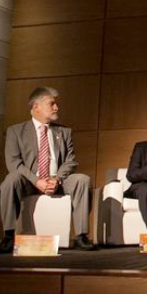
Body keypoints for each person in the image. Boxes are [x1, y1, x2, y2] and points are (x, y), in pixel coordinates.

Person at [0, 87, 96, 252]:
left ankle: (81, 236)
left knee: (82, 180)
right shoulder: (15, 131)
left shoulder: (64, 131)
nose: (56, 108)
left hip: (57, 180)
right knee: (10, 180)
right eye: (51, 104)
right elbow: (14, 163)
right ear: (36, 107)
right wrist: (36, 180)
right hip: (29, 181)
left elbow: (70, 161)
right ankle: (9, 235)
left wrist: (56, 179)